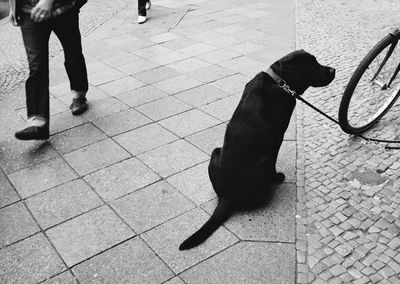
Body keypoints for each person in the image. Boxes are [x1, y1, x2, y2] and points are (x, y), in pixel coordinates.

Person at [9, 0, 89, 140]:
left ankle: (79, 93)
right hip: (29, 11)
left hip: (62, 7)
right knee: (36, 65)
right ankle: (38, 122)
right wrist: (13, 7)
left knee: (73, 52)